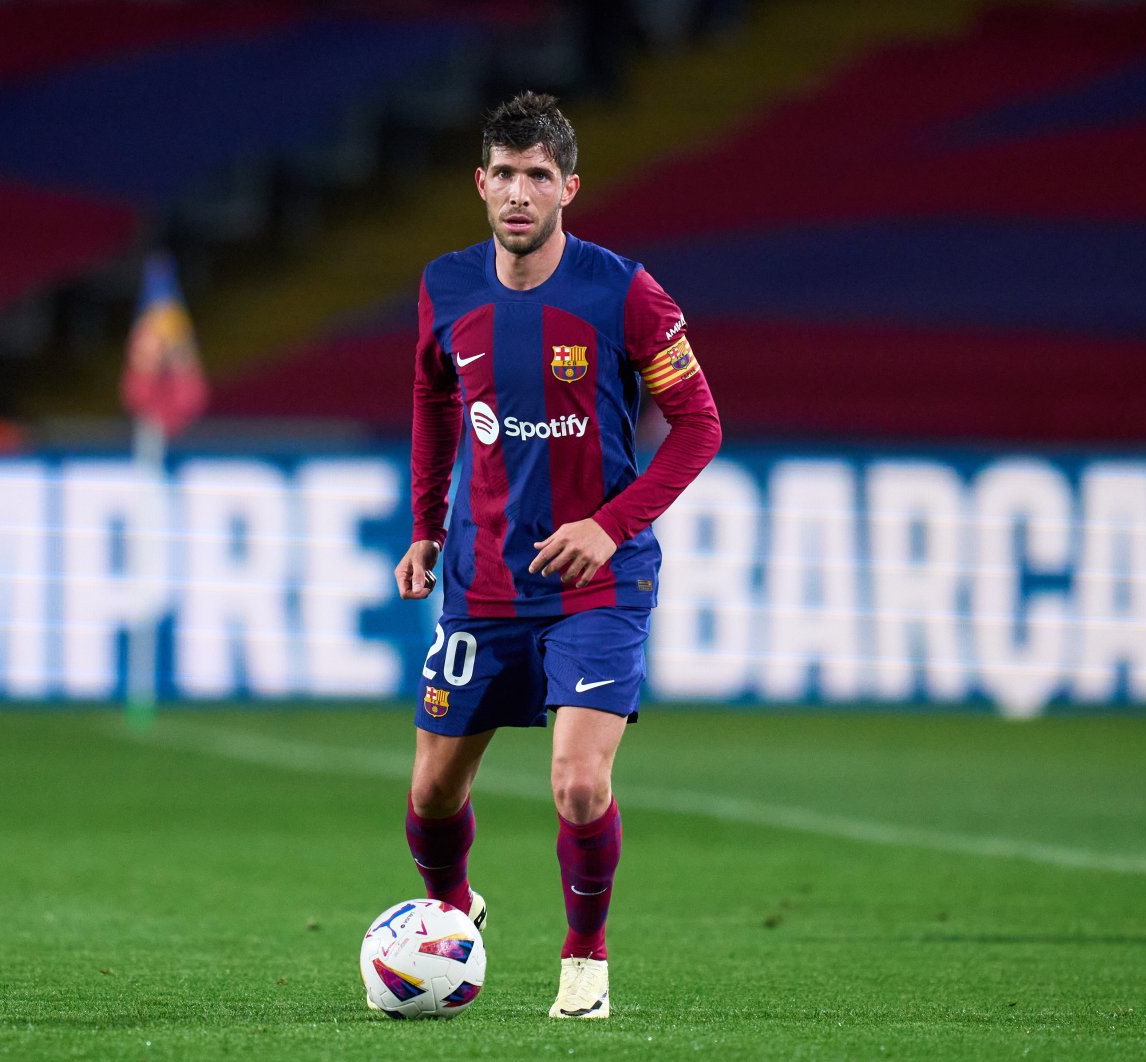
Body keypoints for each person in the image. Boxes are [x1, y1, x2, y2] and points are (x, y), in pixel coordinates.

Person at [391, 91, 722, 1019]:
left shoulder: (625, 292)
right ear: (481, 184)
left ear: (570, 186)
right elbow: (432, 404)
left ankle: (586, 954)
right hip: (482, 580)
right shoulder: (445, 287)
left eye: (540, 175)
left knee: (578, 785)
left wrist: (610, 526)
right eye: (505, 172)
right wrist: (425, 524)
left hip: (596, 582)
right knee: (430, 793)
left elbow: (700, 425)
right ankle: (452, 915)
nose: (520, 192)